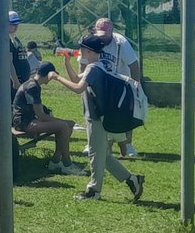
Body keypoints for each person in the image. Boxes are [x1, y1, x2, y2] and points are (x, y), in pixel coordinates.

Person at [50, 34, 145, 203]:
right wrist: (67, 63)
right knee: (103, 155)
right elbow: (76, 79)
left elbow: (78, 88)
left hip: (96, 116)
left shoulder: (93, 68)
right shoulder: (103, 64)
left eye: (82, 48)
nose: (79, 50)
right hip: (105, 115)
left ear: (88, 51)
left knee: (95, 153)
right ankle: (132, 179)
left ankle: (94, 190)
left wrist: (57, 77)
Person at [13, 64, 83, 175]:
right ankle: (67, 163)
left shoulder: (33, 83)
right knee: (64, 126)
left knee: (68, 125)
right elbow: (41, 116)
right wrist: (63, 121)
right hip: (24, 123)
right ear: (49, 75)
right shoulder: (32, 87)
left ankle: (55, 161)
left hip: (29, 119)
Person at [93, 17, 142, 158]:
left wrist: (135, 85)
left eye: (105, 35)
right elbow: (83, 60)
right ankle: (104, 145)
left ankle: (128, 145)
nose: (102, 38)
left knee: (126, 114)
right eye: (100, 34)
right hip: (101, 83)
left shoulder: (121, 42)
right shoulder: (93, 41)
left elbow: (134, 65)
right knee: (101, 115)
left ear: (111, 31)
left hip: (121, 83)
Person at [6, 11, 29, 87]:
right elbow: (9, 62)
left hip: (23, 79)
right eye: (13, 24)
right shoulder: (6, 40)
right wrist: (15, 81)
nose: (16, 26)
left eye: (17, 24)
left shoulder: (15, 38)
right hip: (16, 81)